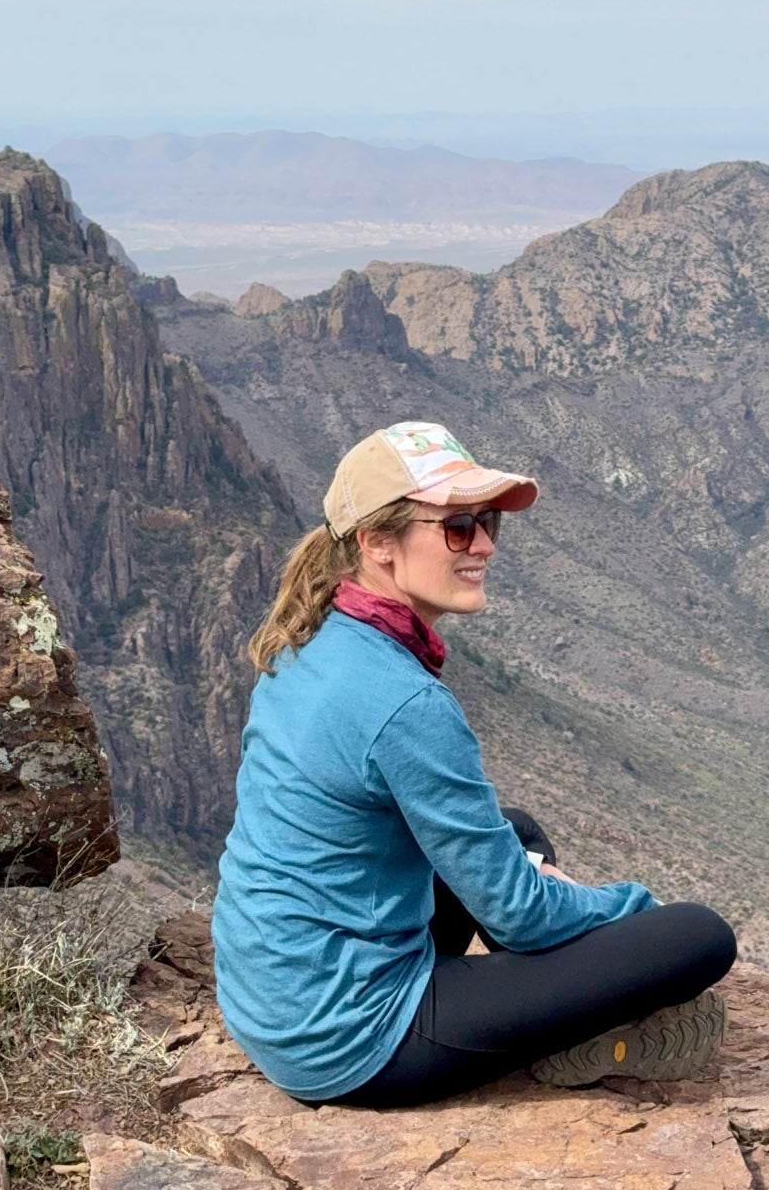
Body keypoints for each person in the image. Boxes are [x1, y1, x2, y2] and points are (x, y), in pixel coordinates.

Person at [212, 421, 736, 1107]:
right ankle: (566, 1036)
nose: (484, 543)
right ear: (377, 543)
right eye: (458, 526)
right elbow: (521, 919)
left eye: (486, 522)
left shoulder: (312, 638)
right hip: (353, 1038)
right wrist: (632, 914)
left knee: (514, 832)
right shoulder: (403, 703)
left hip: (276, 994)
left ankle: (538, 994)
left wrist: (535, 894)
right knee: (697, 936)